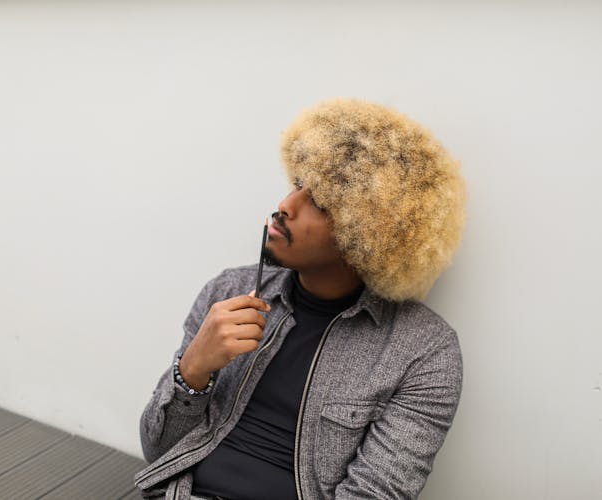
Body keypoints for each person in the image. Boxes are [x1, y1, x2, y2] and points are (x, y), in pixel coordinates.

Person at [133, 98, 467, 500]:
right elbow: (159, 452)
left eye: (320, 201)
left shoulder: (424, 353)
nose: (284, 207)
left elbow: (377, 492)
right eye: (297, 185)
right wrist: (193, 370)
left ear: (370, 235)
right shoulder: (227, 291)